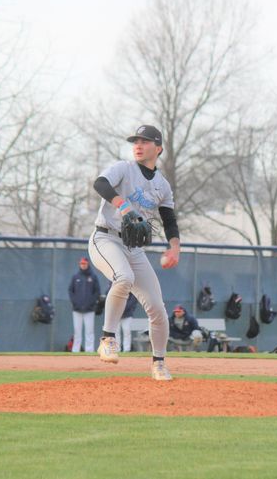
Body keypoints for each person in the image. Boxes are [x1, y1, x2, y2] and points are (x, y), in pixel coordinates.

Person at [87, 125, 180, 381]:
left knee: (158, 309)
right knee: (123, 278)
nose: (138, 145)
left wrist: (174, 247)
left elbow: (169, 219)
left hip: (133, 248)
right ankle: (107, 339)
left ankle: (159, 363)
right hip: (105, 238)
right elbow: (100, 183)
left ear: (158, 148)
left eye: (145, 141)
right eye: (136, 141)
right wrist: (123, 205)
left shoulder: (162, 185)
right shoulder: (123, 168)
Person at [67, 257, 101, 353]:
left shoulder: (93, 277)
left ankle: (89, 351)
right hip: (77, 309)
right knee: (77, 332)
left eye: (84, 263)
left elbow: (97, 292)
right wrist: (75, 302)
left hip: (89, 310)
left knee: (89, 332)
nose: (83, 265)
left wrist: (91, 302)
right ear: (79, 264)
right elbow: (70, 290)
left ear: (88, 264)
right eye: (81, 263)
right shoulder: (76, 277)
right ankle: (75, 350)